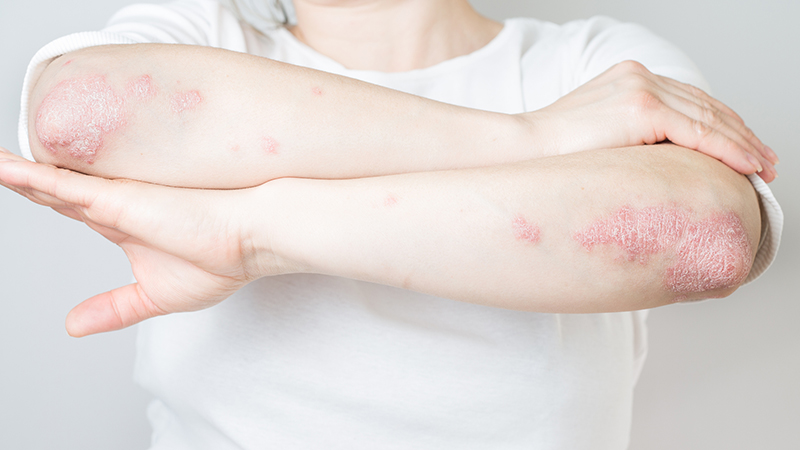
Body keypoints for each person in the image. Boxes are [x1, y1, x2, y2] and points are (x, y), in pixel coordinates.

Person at [0, 0, 783, 448]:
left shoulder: (602, 64)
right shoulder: (205, 33)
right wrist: (527, 139)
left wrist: (252, 230)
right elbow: (77, 114)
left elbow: (705, 237)